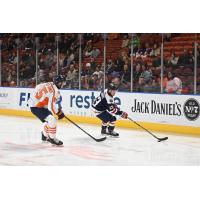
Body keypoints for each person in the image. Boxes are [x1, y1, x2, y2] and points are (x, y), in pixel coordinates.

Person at [28, 75, 65, 146]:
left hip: (35, 104)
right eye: (62, 82)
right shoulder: (55, 91)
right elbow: (51, 107)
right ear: (59, 83)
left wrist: (36, 98)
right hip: (36, 107)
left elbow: (37, 87)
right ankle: (52, 139)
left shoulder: (49, 83)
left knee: (49, 120)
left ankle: (44, 136)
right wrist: (59, 113)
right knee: (52, 120)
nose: (63, 84)